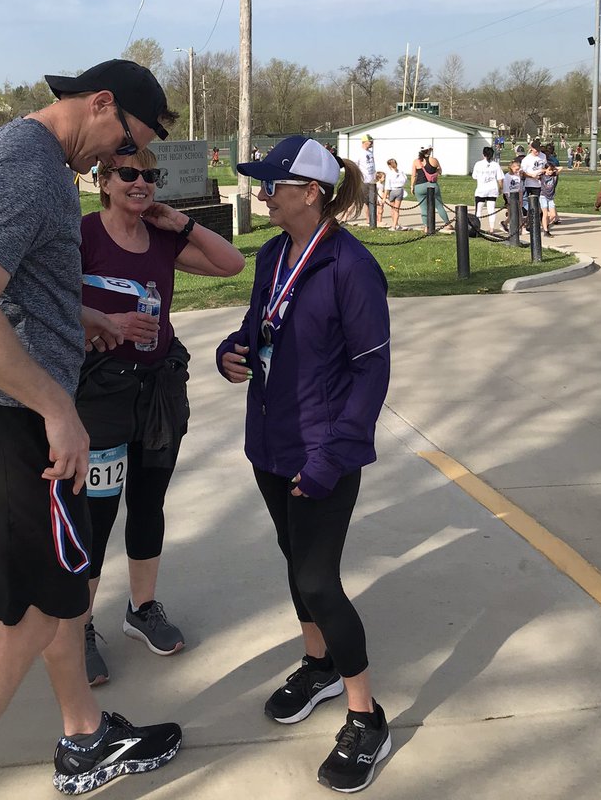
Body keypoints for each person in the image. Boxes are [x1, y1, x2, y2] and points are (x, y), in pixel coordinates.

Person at [0, 61, 183, 800]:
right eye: (124, 144)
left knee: (64, 591)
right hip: (7, 413)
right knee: (27, 619)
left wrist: (80, 317)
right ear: (101, 104)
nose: (120, 162)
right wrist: (58, 410)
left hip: (8, 403)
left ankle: (86, 736)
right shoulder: (29, 170)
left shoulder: (14, 153)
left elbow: (7, 283)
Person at [216, 136, 392, 793]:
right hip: (270, 442)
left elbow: (372, 371)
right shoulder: (272, 254)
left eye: (273, 185)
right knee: (295, 564)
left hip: (322, 452)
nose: (262, 194)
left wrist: (333, 457)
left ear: (311, 192)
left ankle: (366, 716)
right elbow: (257, 327)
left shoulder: (351, 266)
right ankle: (319, 666)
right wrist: (231, 352)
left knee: (318, 580)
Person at [74, 148, 244, 684]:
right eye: (128, 174)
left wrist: (182, 222)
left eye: (150, 175)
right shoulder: (83, 235)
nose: (141, 183)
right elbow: (45, 301)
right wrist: (107, 322)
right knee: (97, 515)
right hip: (101, 393)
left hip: (158, 391)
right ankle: (79, 627)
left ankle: (142, 609)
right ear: (103, 181)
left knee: (149, 504)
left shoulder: (162, 238)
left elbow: (231, 264)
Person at [411, 147, 450, 228]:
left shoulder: (416, 161)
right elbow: (440, 171)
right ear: (429, 150)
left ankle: (426, 226)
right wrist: (435, 173)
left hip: (420, 186)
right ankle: (448, 224)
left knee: (423, 208)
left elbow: (414, 175)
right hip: (433, 185)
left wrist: (412, 186)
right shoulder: (434, 160)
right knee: (439, 206)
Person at [471, 146, 504, 234]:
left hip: (481, 190)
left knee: (479, 210)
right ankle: (491, 228)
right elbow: (500, 179)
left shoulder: (478, 164)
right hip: (492, 189)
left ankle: (477, 228)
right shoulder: (495, 165)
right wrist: (501, 188)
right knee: (491, 209)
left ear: (483, 154)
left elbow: (474, 176)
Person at [520, 138, 547, 223]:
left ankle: (537, 221)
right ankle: (529, 221)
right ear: (531, 148)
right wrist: (532, 176)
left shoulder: (543, 156)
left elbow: (545, 167)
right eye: (536, 150)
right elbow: (522, 173)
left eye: (539, 149)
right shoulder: (526, 159)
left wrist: (542, 173)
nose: (538, 152)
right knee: (530, 204)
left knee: (539, 203)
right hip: (530, 184)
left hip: (540, 184)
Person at [354, 134, 377, 226]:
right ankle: (346, 218)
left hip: (372, 180)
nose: (371, 143)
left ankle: (370, 219)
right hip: (363, 180)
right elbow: (355, 167)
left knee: (371, 201)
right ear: (364, 142)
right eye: (370, 142)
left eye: (372, 141)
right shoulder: (359, 153)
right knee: (361, 201)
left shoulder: (370, 152)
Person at [383, 158, 407, 230]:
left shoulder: (389, 174)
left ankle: (394, 225)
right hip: (399, 190)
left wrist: (384, 197)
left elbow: (387, 186)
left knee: (393, 209)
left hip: (392, 191)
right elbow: (405, 180)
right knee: (396, 209)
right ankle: (395, 224)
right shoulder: (401, 172)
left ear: (389, 166)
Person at [500, 158, 523, 232]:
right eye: (516, 169)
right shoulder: (507, 176)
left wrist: (521, 199)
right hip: (509, 196)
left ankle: (521, 228)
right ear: (511, 168)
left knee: (519, 212)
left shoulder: (518, 176)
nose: (517, 171)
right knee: (512, 213)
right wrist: (508, 200)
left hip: (516, 195)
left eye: (518, 169)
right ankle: (505, 223)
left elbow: (520, 188)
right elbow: (506, 190)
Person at [540, 162, 560, 236]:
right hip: (543, 196)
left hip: (551, 197)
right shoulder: (542, 176)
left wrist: (553, 168)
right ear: (545, 169)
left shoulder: (554, 176)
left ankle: (545, 224)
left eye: (552, 170)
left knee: (553, 215)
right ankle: (546, 231)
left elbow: (561, 168)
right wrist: (544, 170)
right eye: (549, 170)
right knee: (545, 214)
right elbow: (537, 173)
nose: (550, 172)